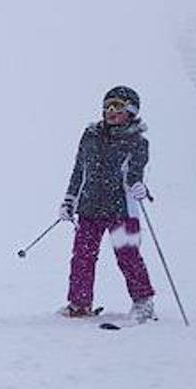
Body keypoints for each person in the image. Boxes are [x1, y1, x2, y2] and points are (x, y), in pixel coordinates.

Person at [58, 85, 155, 321]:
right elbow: (79, 170)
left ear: (131, 111)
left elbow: (134, 175)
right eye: (108, 106)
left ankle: (143, 301)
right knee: (82, 256)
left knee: (128, 254)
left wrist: (138, 187)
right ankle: (79, 304)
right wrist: (69, 200)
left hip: (123, 209)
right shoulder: (90, 136)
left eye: (118, 106)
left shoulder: (137, 141)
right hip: (89, 207)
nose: (111, 111)